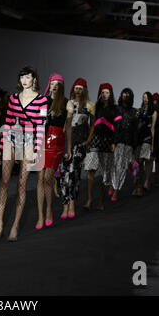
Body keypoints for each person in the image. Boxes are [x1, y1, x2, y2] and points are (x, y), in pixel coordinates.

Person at [0, 65, 48, 241]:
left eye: (27, 77)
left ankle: (15, 226)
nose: (24, 81)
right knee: (5, 182)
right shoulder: (14, 98)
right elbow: (7, 123)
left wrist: (37, 150)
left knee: (21, 185)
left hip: (29, 141)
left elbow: (41, 126)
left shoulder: (42, 100)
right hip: (11, 139)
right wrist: (0, 149)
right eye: (22, 77)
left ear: (34, 79)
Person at [36, 73, 72, 229]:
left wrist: (69, 148)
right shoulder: (43, 101)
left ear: (62, 86)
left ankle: (49, 209)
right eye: (52, 83)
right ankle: (40, 215)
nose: (55, 86)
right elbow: (37, 124)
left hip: (57, 141)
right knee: (40, 178)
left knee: (47, 176)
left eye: (58, 83)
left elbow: (68, 128)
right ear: (49, 85)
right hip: (42, 139)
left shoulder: (67, 103)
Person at [58, 78, 94, 218]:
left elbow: (92, 125)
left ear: (84, 89)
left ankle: (72, 203)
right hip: (68, 141)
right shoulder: (69, 103)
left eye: (81, 88)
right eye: (76, 87)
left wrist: (89, 140)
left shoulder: (90, 105)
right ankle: (65, 205)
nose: (78, 90)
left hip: (80, 144)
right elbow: (66, 124)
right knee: (64, 174)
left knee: (75, 173)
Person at [84, 83, 121, 211]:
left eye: (107, 92)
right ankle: (89, 199)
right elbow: (91, 125)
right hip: (95, 140)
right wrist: (88, 140)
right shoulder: (96, 106)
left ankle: (100, 200)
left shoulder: (115, 109)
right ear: (100, 93)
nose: (105, 94)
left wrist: (114, 143)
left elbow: (117, 128)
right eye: (103, 92)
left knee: (106, 173)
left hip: (108, 142)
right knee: (90, 170)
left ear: (110, 94)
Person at [109, 88, 138, 201]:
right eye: (124, 93)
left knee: (122, 167)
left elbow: (135, 130)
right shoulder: (117, 109)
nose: (126, 95)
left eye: (128, 94)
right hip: (118, 141)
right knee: (114, 165)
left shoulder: (134, 112)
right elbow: (114, 126)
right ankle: (113, 185)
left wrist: (134, 145)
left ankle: (116, 190)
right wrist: (113, 142)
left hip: (128, 142)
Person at [132, 92, 154, 196]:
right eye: (143, 97)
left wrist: (152, 144)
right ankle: (136, 186)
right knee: (136, 164)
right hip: (137, 138)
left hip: (147, 139)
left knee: (140, 162)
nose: (145, 99)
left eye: (147, 97)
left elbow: (152, 128)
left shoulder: (153, 112)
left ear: (150, 99)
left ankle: (140, 187)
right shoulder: (138, 110)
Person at [151, 93, 159, 187]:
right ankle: (149, 179)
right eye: (153, 100)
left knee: (158, 158)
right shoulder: (151, 111)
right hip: (152, 136)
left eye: (156, 100)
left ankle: (156, 177)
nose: (154, 102)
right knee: (151, 157)